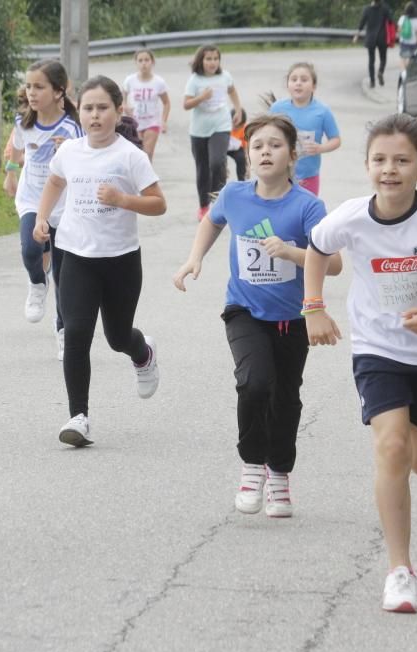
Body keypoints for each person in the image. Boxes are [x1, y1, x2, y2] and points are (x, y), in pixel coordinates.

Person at [302, 96, 417, 613]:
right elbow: (318, 249)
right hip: (378, 348)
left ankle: (408, 473)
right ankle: (399, 571)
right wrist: (313, 306)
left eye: (402, 160)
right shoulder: (349, 218)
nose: (390, 170)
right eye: (380, 160)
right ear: (367, 166)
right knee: (390, 448)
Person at [173, 114, 342, 517]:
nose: (266, 151)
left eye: (275, 145)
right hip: (244, 310)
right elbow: (211, 223)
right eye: (258, 146)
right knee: (254, 383)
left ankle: (279, 473)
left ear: (292, 156)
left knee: (286, 397)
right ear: (248, 156)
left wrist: (291, 252)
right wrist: (194, 259)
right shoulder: (234, 195)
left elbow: (333, 263)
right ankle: (252, 465)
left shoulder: (308, 207)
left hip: (293, 318)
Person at [32, 75, 167, 446]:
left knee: (117, 335)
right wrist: (43, 217)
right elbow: (55, 182)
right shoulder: (70, 152)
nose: (94, 115)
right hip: (75, 255)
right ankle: (79, 417)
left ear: (118, 111)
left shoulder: (130, 156)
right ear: (81, 112)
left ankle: (143, 353)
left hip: (121, 260)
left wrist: (123, 200)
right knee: (75, 333)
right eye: (88, 108)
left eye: (102, 108)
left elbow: (158, 203)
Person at [3, 60, 83, 359]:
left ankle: (63, 329)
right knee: (30, 249)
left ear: (59, 91)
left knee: (64, 276)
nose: (32, 93)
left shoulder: (71, 127)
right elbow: (16, 148)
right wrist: (10, 173)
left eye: (39, 87)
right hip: (30, 198)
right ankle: (37, 282)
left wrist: (68, 151)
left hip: (63, 207)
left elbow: (81, 165)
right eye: (29, 86)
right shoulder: (23, 121)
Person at [183, 45, 243, 221]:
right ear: (201, 60)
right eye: (208, 59)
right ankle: (203, 206)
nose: (212, 62)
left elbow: (232, 90)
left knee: (217, 162)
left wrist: (238, 109)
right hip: (199, 130)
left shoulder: (225, 76)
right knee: (203, 169)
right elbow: (186, 105)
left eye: (216, 59)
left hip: (221, 126)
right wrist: (201, 97)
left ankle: (219, 203)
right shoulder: (195, 80)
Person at [270, 63, 341, 196]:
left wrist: (320, 148)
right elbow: (266, 135)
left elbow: (336, 140)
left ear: (314, 86)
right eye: (294, 79)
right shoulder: (277, 109)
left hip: (309, 176)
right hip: (280, 173)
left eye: (304, 79)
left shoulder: (322, 111)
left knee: (307, 212)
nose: (298, 83)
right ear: (288, 85)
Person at [122, 49, 171, 162]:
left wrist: (163, 121)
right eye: (140, 60)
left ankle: (148, 178)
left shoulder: (159, 82)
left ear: (152, 62)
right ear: (136, 63)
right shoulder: (130, 80)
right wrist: (125, 106)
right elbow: (122, 97)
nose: (144, 63)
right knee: (137, 153)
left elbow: (166, 103)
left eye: (146, 60)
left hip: (152, 123)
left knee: (147, 154)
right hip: (135, 122)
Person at [354, 0, 393, 88]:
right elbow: (390, 21)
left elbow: (362, 23)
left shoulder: (367, 9)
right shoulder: (385, 8)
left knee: (371, 60)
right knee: (383, 58)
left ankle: (372, 82)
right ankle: (380, 71)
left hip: (371, 38)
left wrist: (356, 35)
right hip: (382, 37)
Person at [398, 2, 417, 69]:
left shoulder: (402, 18)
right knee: (410, 58)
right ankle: (407, 70)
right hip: (413, 43)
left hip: (404, 42)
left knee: (403, 58)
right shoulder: (416, 20)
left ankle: (403, 72)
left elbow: (399, 30)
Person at [226, 109, 247, 182]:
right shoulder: (224, 126)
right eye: (235, 126)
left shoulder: (244, 129)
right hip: (223, 146)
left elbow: (246, 148)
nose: (237, 128)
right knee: (219, 162)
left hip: (236, 148)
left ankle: (241, 181)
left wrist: (247, 166)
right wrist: (224, 166)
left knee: (241, 158)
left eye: (239, 126)